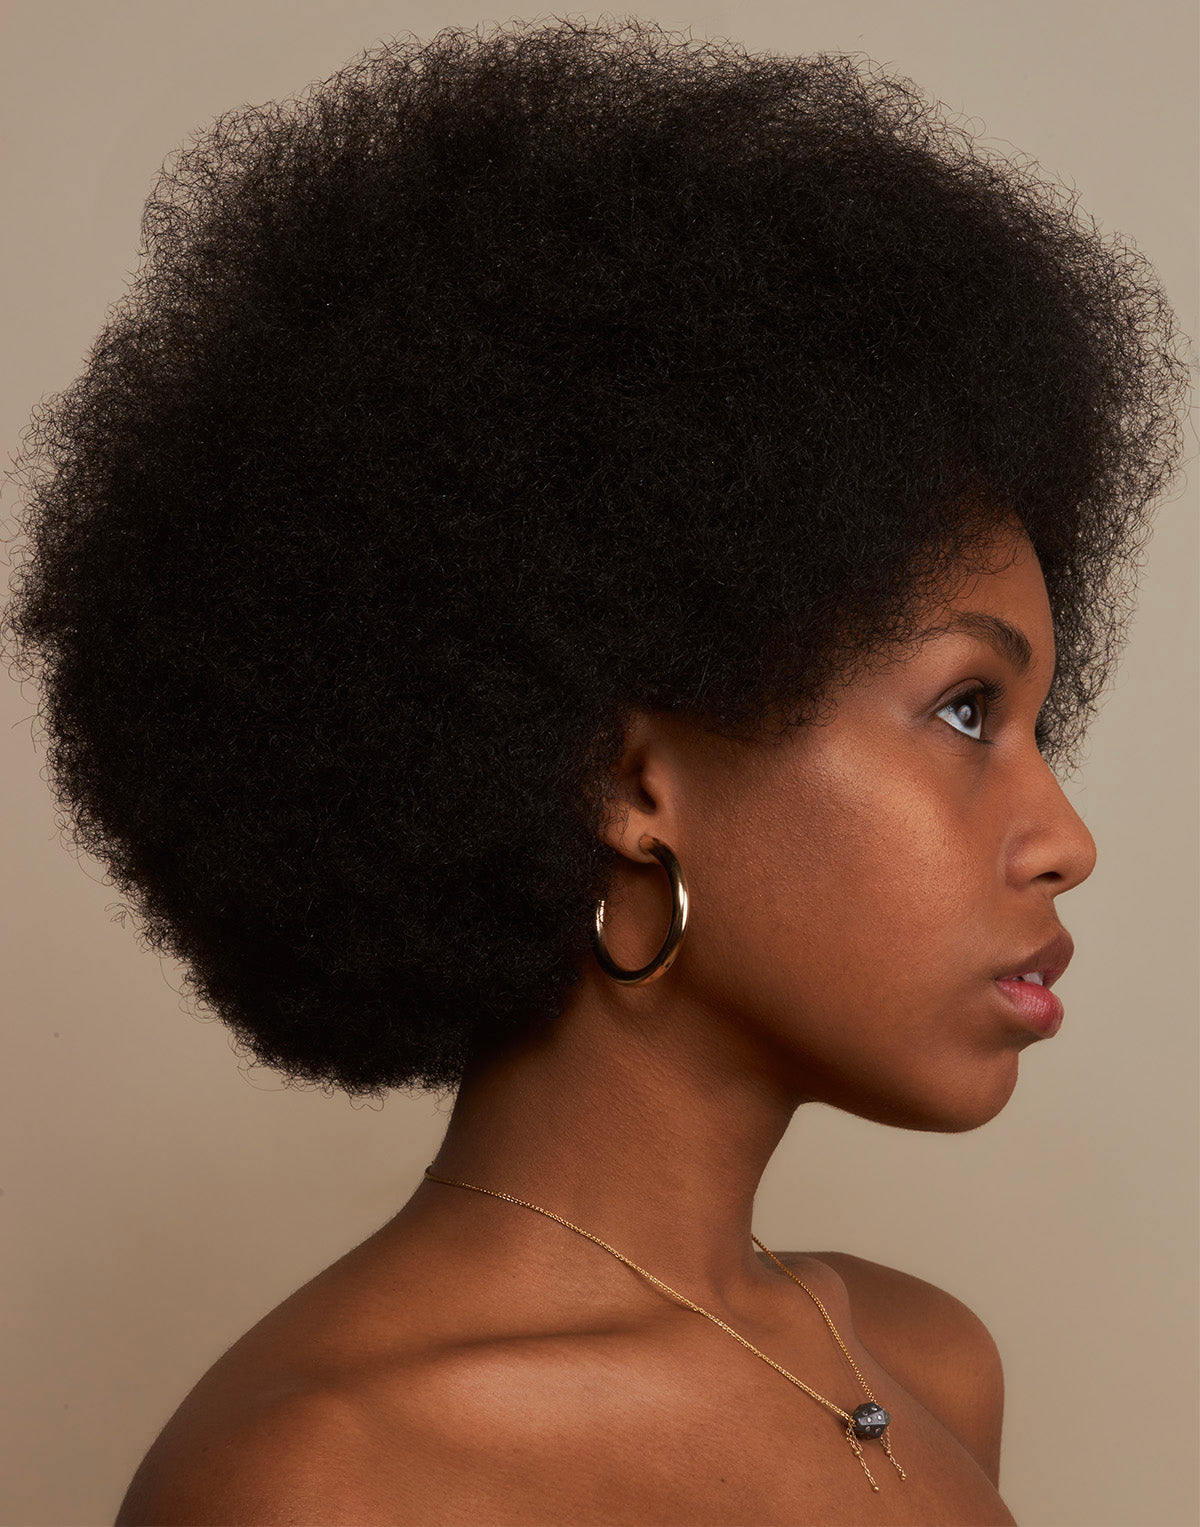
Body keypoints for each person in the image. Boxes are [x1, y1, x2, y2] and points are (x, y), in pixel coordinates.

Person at [2, 16, 1187, 1526]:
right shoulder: (330, 1485)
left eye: (1038, 730)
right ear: (630, 788)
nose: (1065, 837)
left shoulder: (928, 1366)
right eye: (966, 711)